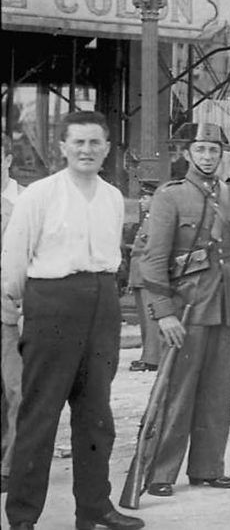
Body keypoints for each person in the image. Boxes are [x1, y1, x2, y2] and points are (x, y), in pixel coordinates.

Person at [2, 111, 143, 530]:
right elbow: (15, 259)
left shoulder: (112, 197)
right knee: (40, 414)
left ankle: (94, 508)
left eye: (95, 142)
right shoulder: (39, 195)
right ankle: (23, 516)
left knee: (97, 413)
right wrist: (16, 308)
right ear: (62, 147)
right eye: (78, 142)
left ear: (107, 148)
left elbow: (112, 257)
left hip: (102, 304)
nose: (87, 150)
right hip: (52, 303)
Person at [139, 122, 230, 498]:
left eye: (214, 150)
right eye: (201, 149)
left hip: (226, 305)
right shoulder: (170, 196)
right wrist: (164, 312)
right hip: (186, 307)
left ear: (223, 155)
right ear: (186, 153)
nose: (207, 156)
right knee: (178, 391)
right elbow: (153, 261)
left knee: (218, 393)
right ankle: (160, 472)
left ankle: (208, 468)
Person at [1, 133, 25, 494]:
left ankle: (11, 466)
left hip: (14, 311)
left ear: (7, 159)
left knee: (18, 390)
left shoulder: (27, 202)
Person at [127, 180, 162, 373]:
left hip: (147, 276)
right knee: (145, 318)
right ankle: (147, 355)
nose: (141, 201)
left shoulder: (156, 220)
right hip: (140, 275)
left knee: (150, 318)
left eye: (145, 197)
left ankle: (152, 358)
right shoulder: (148, 219)